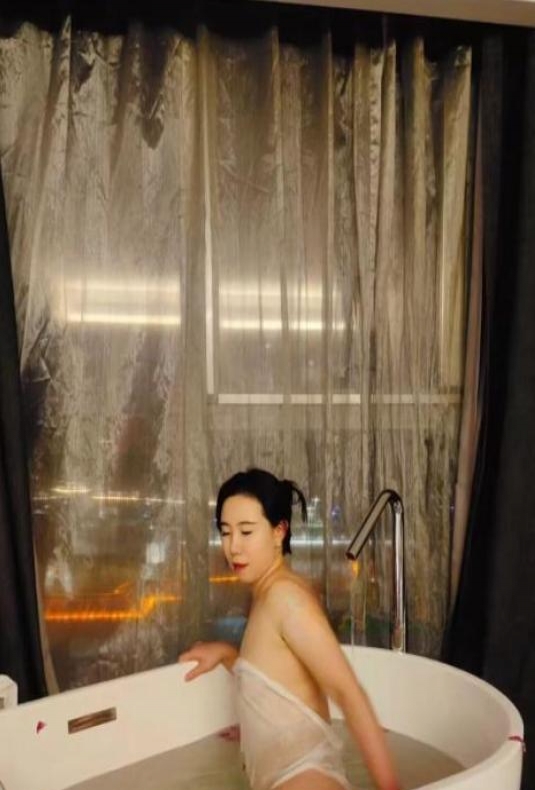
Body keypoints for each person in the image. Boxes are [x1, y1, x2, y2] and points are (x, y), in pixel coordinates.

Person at [179, 468, 400, 790]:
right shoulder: (266, 595)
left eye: (246, 531)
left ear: (278, 531)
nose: (233, 547)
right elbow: (273, 677)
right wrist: (226, 654)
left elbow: (347, 692)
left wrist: (390, 787)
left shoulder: (286, 598)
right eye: (225, 532)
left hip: (306, 779)